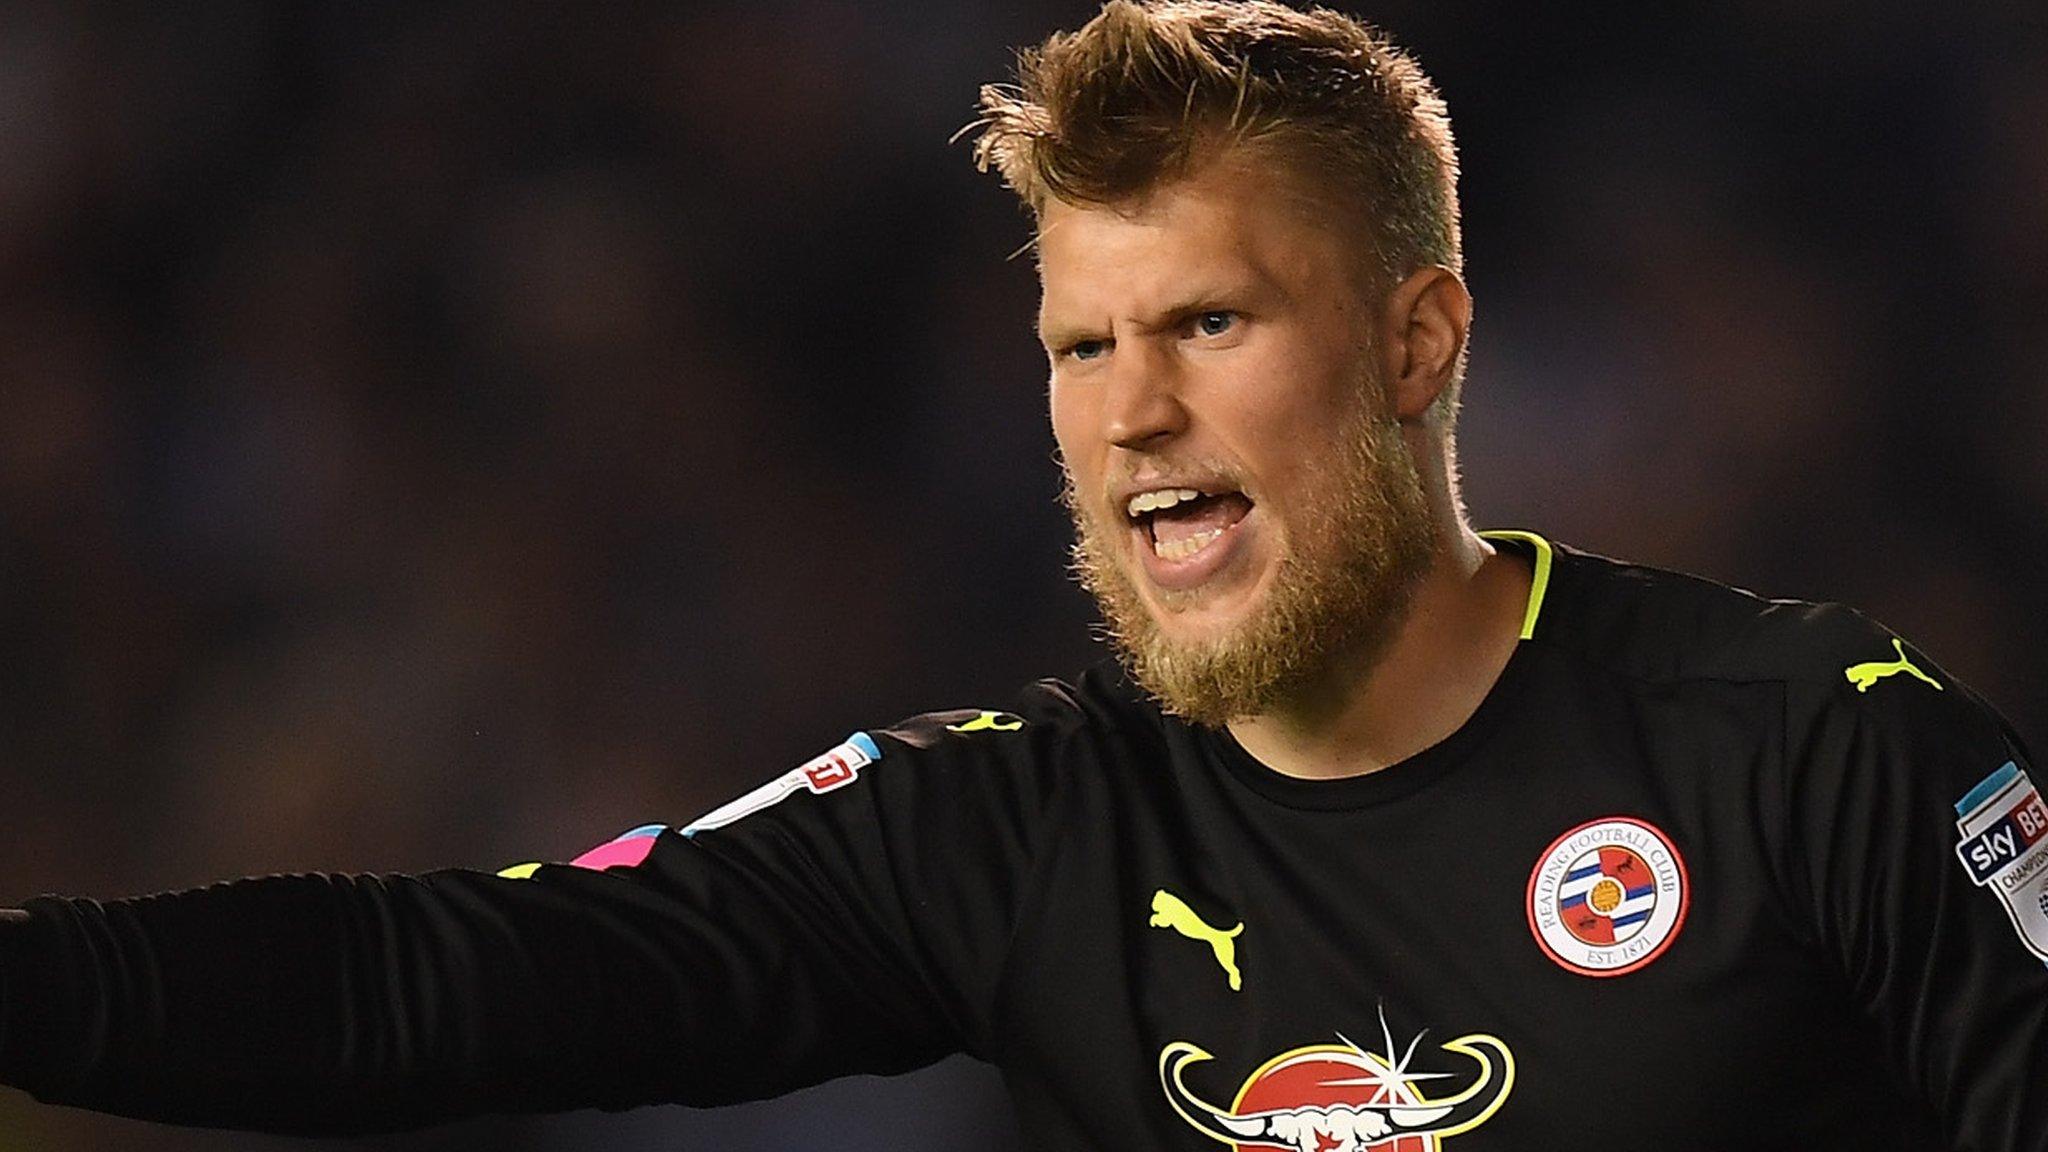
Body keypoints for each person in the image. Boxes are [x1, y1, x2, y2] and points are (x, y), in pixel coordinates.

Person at [2, 1, 2042, 1148]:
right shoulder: (1010, 827)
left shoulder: (1811, 755)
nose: (1131, 410)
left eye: (1213, 326)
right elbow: (449, 979)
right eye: (1084, 345)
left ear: (1419, 342)